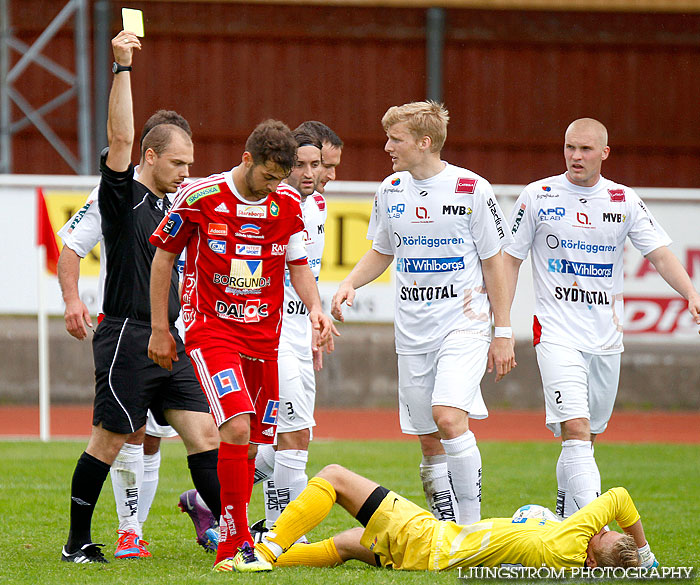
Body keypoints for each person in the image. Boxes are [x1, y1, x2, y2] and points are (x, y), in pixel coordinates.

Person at [148, 119, 337, 572]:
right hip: (210, 329)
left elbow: (298, 265)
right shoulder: (200, 197)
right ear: (247, 159)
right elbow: (163, 258)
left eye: (281, 178)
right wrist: (160, 328)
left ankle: (221, 521)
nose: (274, 185)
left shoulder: (288, 204)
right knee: (234, 426)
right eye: (269, 175)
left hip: (264, 338)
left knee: (253, 445)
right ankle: (232, 545)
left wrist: (316, 308)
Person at [60, 30, 221, 564]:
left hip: (171, 339)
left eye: (190, 165)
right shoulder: (121, 195)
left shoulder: (177, 208)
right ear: (149, 156)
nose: (186, 174)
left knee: (205, 435)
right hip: (127, 335)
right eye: (178, 164)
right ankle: (77, 542)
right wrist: (122, 67)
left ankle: (232, 538)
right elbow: (120, 137)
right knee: (109, 441)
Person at [503, 118, 700, 544]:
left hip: (606, 339)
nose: (576, 156)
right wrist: (501, 324)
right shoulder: (539, 195)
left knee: (585, 438)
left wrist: (690, 292)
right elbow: (510, 259)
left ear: (604, 153)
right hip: (555, 334)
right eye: (570, 148)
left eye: (586, 150)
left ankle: (562, 524)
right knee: (575, 429)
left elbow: (660, 254)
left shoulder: (622, 200)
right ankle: (598, 534)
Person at [331, 101, 515, 525]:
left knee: (449, 419)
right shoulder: (391, 189)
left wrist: (502, 331)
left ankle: (470, 531)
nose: (387, 147)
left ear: (424, 142)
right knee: (428, 439)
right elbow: (382, 250)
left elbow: (494, 263)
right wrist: (349, 283)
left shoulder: (472, 189)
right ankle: (445, 527)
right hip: (412, 332)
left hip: (463, 325)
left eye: (395, 139)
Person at [254, 463, 651, 571]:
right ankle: (243, 550)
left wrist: (645, 551)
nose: (600, 528)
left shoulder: (569, 543)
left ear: (590, 559)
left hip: (427, 539)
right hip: (429, 559)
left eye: (602, 537)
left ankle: (265, 551)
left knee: (334, 476)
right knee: (344, 544)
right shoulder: (562, 552)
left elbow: (619, 497)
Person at [253, 122, 343, 535]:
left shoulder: (319, 206)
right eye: (305, 164)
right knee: (292, 435)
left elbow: (309, 274)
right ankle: (286, 533)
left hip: (299, 333)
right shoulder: (274, 203)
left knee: (293, 434)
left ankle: (213, 499)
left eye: (319, 166)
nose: (317, 173)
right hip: (272, 334)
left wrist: (314, 320)